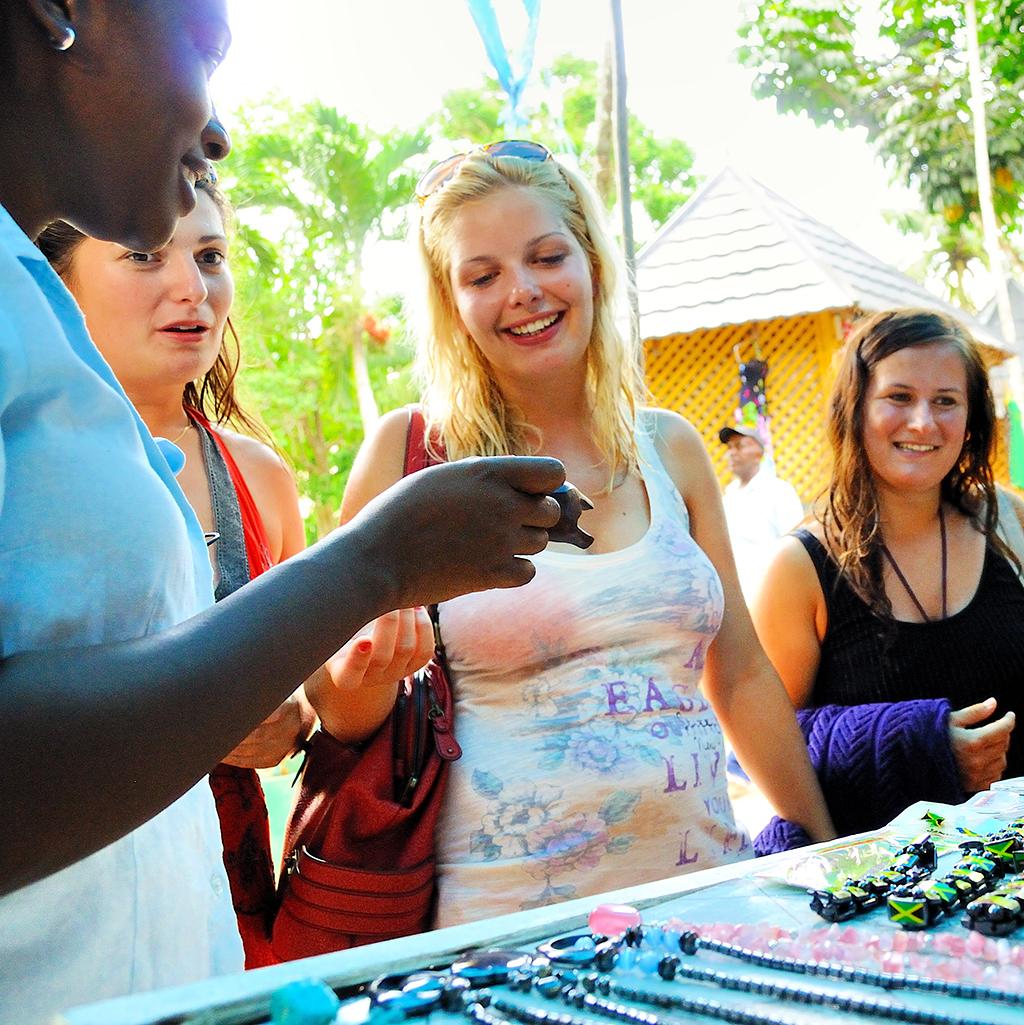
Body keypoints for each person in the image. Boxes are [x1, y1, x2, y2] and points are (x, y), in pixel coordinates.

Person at [0, 5, 564, 1021]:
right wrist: (370, 564)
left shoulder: (29, 305)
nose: (215, 128)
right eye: (205, 54)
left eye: (213, 258)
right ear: (60, 15)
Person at [340, 140, 836, 928]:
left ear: (593, 264)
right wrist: (365, 665)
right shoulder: (413, 457)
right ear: (451, 300)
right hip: (511, 938)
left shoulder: (672, 447)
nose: (524, 292)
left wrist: (825, 848)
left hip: (711, 905)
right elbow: (338, 706)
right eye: (483, 275)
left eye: (546, 256)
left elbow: (739, 674)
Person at [36, 179, 435, 968]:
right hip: (61, 920)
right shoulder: (28, 474)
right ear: (55, 280)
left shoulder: (258, 476)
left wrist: (305, 702)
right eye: (145, 254)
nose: (192, 286)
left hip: (228, 915)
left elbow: (321, 706)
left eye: (210, 255)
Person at [751, 308, 1023, 844]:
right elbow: (770, 745)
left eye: (946, 401)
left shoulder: (1009, 526)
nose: (923, 422)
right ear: (855, 409)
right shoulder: (800, 567)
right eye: (899, 397)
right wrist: (919, 744)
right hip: (887, 894)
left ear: (971, 420)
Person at [718, 423, 804, 605]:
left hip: (772, 594)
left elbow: (796, 546)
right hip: (737, 597)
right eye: (730, 448)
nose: (732, 453)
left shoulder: (778, 490)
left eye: (740, 446)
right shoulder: (728, 495)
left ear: (758, 452)